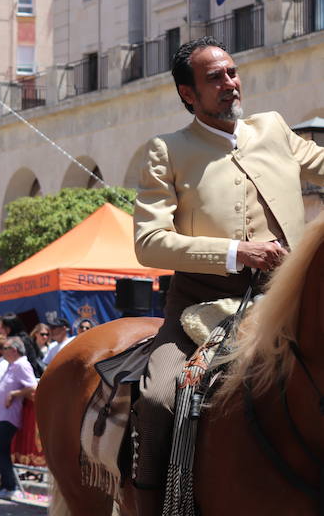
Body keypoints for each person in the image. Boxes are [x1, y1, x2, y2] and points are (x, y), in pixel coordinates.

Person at [131, 36, 324, 510]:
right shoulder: (166, 151)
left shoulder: (274, 128)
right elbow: (148, 243)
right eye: (214, 78)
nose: (229, 84)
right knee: (156, 400)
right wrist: (237, 251)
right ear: (188, 94)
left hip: (287, 302)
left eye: (232, 73)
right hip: (201, 309)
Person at [0, 337, 37, 501]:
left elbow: (32, 386)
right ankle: (6, 485)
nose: (2, 351)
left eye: (6, 348)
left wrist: (14, 394)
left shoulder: (22, 364)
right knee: (0, 451)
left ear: (14, 350)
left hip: (8, 417)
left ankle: (11, 486)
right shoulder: (12, 365)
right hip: (0, 415)